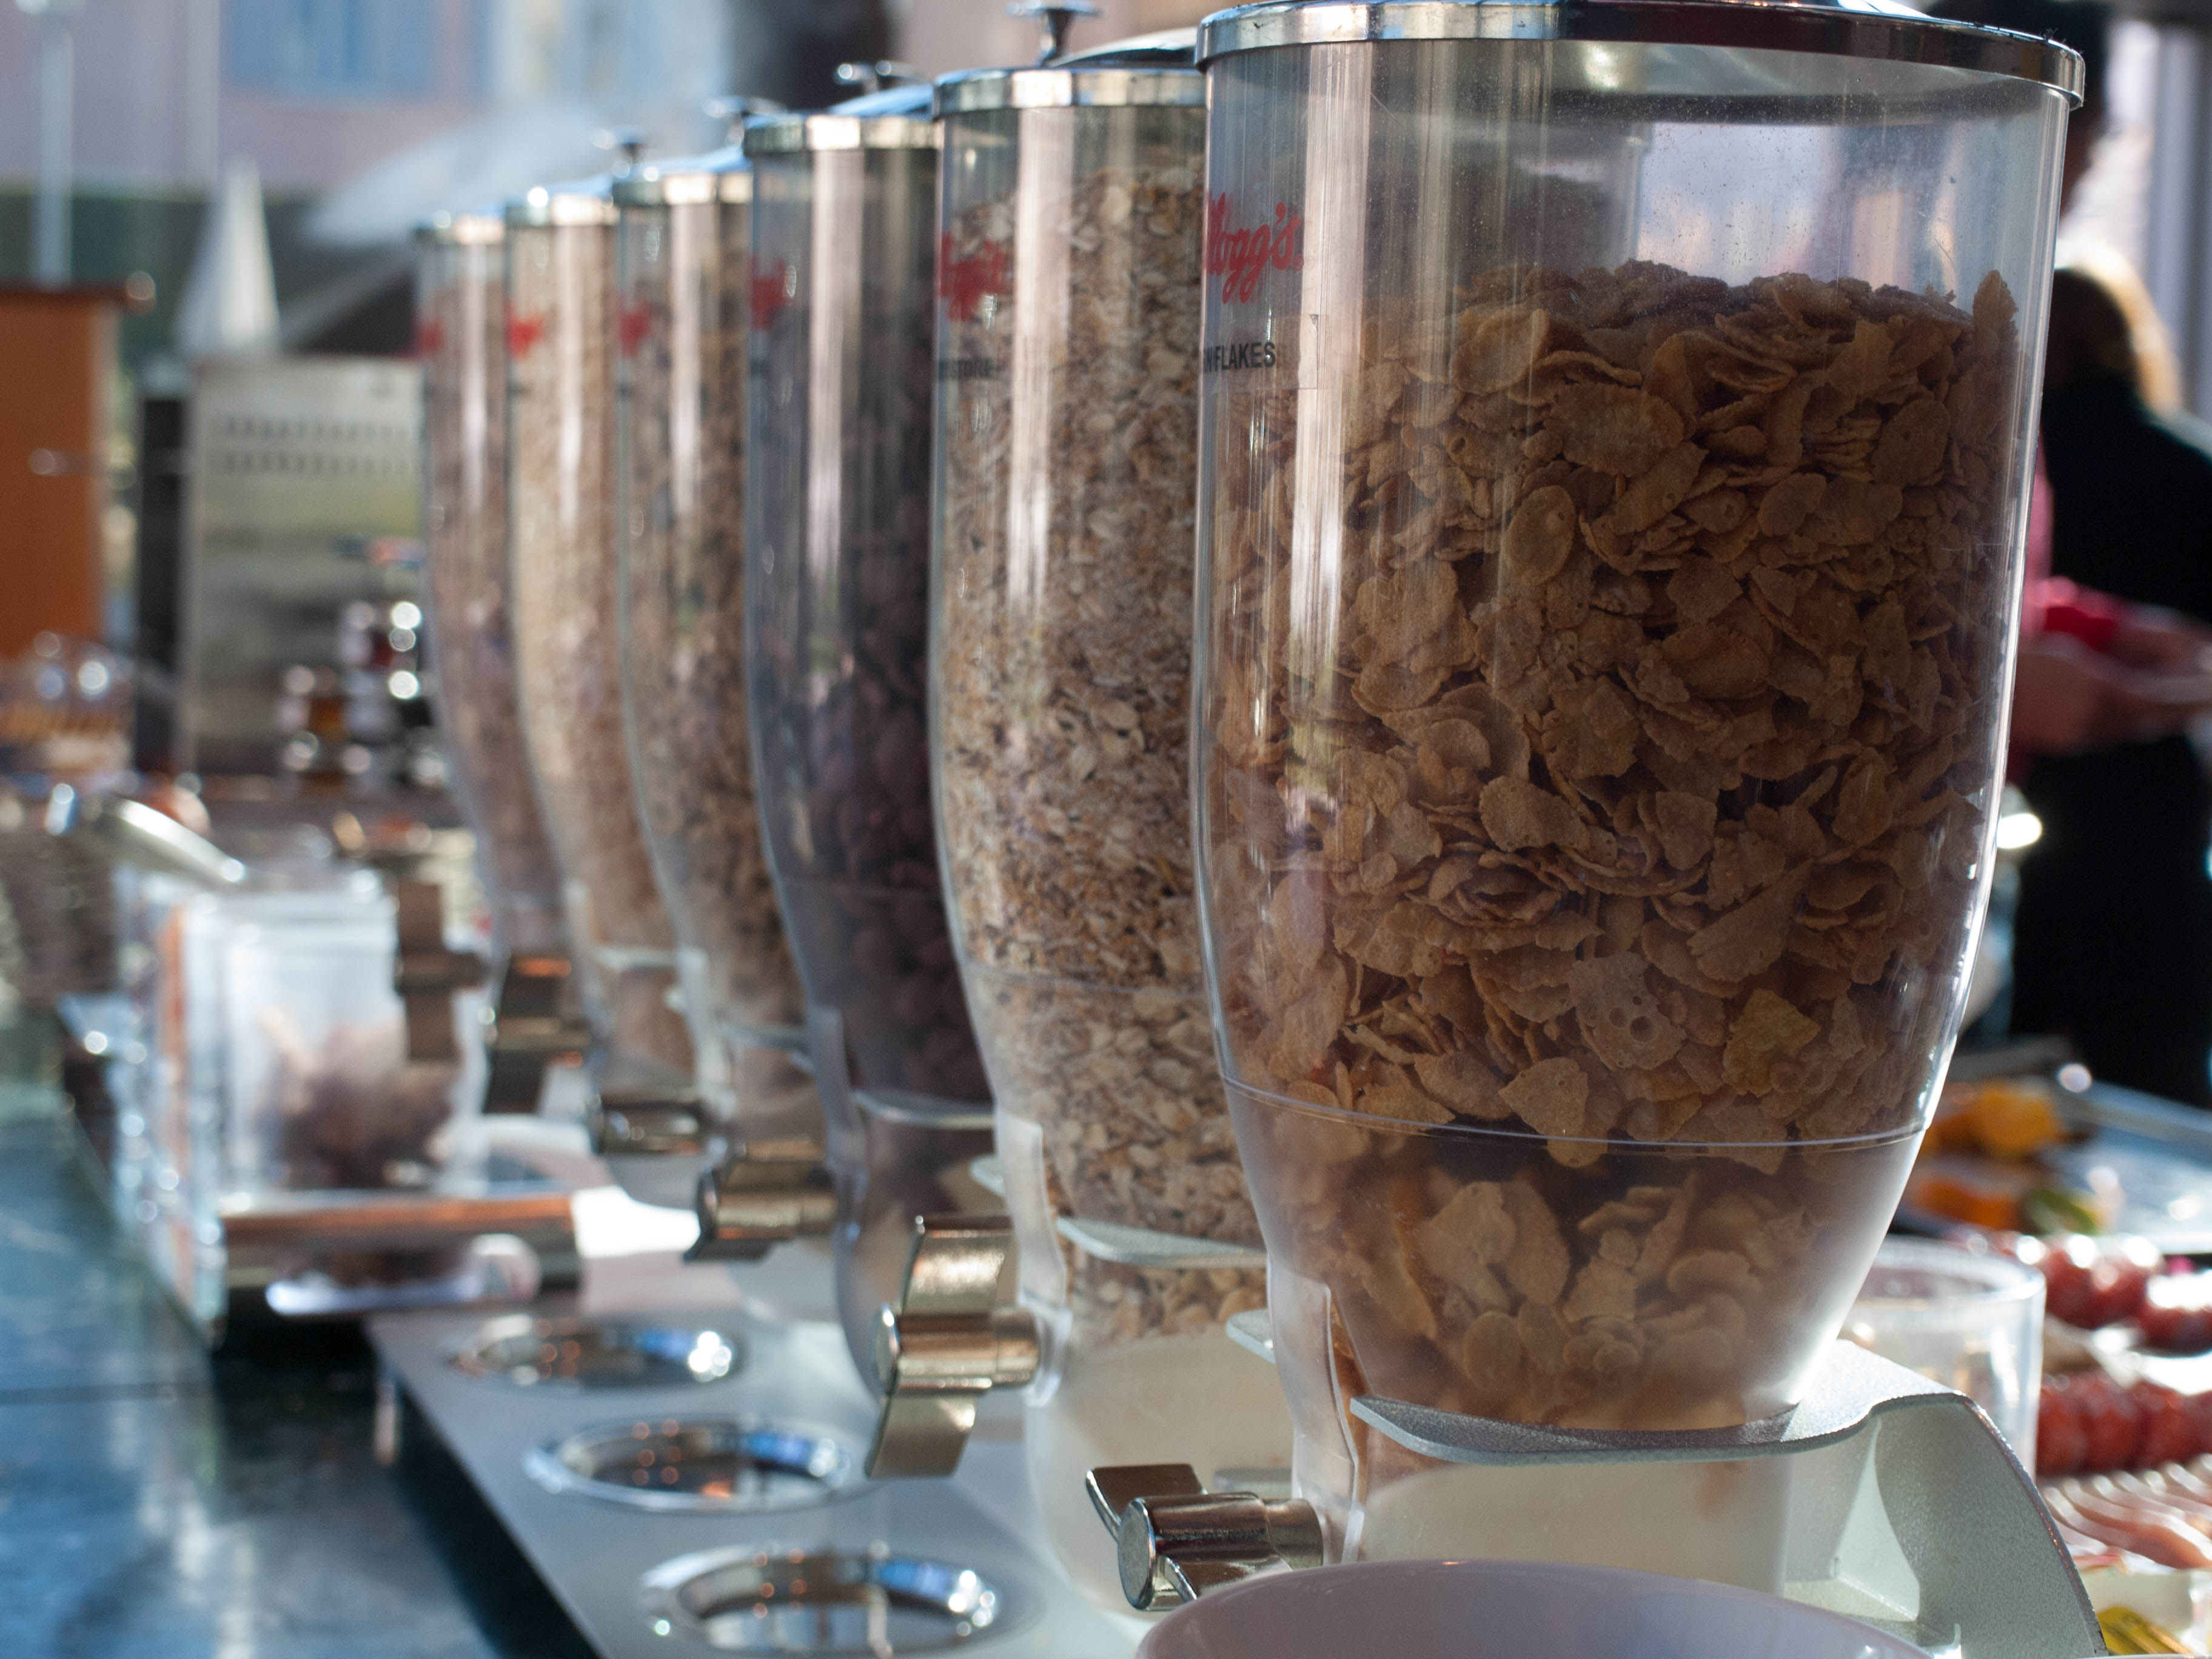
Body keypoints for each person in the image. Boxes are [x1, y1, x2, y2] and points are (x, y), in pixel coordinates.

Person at [1933, 0, 2212, 1103]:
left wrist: (2103, 631)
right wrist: (2000, 693)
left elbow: (1976, 589)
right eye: (2088, 130)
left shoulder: (1992, 308)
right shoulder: (1905, 305)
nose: (2091, 166)